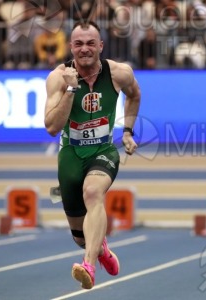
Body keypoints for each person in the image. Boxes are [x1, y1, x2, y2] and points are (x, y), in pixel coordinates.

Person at [44, 20, 141, 290]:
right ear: (70, 47)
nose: (84, 49)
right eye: (78, 43)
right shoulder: (58, 78)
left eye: (90, 43)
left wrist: (128, 132)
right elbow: (52, 127)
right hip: (71, 155)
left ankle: (88, 265)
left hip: (103, 150)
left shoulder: (119, 73)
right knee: (80, 235)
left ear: (101, 46)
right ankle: (101, 252)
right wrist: (71, 89)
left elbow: (135, 95)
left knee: (93, 193)